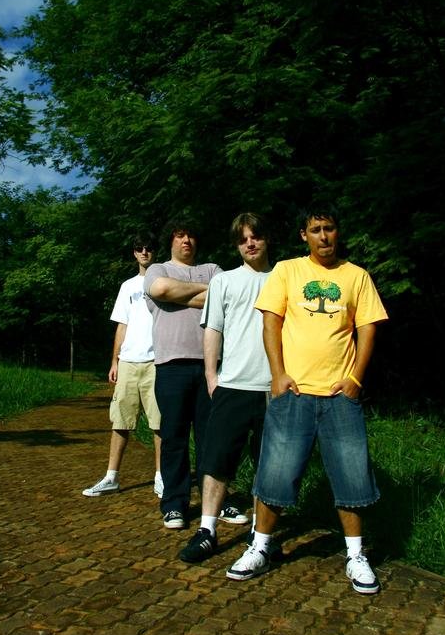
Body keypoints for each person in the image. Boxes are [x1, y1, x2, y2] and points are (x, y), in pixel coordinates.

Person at [226, 205, 388, 594]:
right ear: (304, 235)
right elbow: (271, 322)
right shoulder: (287, 271)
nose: (323, 236)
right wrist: (278, 375)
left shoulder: (356, 276)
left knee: (351, 475)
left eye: (329, 228)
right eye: (315, 229)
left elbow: (367, 329)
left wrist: (355, 379)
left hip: (339, 397)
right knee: (275, 473)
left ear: (337, 231)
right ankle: (260, 547)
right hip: (294, 393)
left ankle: (356, 555)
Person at [179, 212, 273, 563]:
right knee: (216, 460)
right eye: (242, 239)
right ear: (236, 245)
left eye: (255, 236)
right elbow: (212, 329)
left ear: (266, 239)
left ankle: (260, 533)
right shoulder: (224, 281)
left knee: (268, 464)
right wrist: (211, 376)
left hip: (274, 387)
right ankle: (207, 530)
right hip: (232, 384)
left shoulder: (284, 278)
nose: (250, 243)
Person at [145, 217, 237, 530]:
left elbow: (227, 297)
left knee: (213, 438)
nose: (186, 241)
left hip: (211, 367)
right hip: (171, 366)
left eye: (191, 236)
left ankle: (218, 502)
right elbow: (160, 288)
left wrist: (178, 295)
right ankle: (174, 504)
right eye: (180, 235)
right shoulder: (158, 269)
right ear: (171, 240)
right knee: (174, 438)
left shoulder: (212, 268)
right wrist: (207, 294)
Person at [82, 232, 163, 499]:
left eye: (149, 247)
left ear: (155, 251)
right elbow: (122, 324)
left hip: (157, 362)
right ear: (134, 253)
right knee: (120, 421)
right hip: (128, 362)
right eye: (139, 248)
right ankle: (111, 477)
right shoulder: (127, 286)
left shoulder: (166, 281)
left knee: (159, 424)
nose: (144, 252)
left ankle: (161, 477)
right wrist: (114, 361)